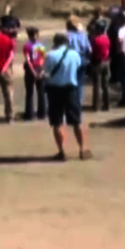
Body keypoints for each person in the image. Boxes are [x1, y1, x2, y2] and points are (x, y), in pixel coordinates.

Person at [42, 32, 91, 161]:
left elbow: (45, 73)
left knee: (57, 122)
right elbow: (80, 67)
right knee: (76, 121)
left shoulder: (50, 55)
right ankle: (82, 149)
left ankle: (61, 151)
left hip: (55, 90)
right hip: (71, 89)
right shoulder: (75, 54)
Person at [66, 15, 92, 107]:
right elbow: (89, 49)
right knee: (80, 82)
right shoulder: (83, 35)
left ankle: (71, 101)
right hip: (83, 58)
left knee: (71, 81)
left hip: (72, 59)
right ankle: (78, 101)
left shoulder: (67, 35)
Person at [22, 26, 47, 121]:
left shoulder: (27, 46)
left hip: (30, 69)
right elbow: (43, 58)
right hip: (39, 68)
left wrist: (32, 71)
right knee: (41, 91)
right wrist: (42, 70)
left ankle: (29, 113)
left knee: (29, 92)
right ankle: (42, 112)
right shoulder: (40, 45)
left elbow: (28, 60)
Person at [88, 19, 110, 112]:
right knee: (105, 85)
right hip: (106, 61)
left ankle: (96, 105)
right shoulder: (106, 38)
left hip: (97, 63)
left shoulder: (95, 40)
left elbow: (91, 51)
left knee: (97, 85)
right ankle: (106, 104)